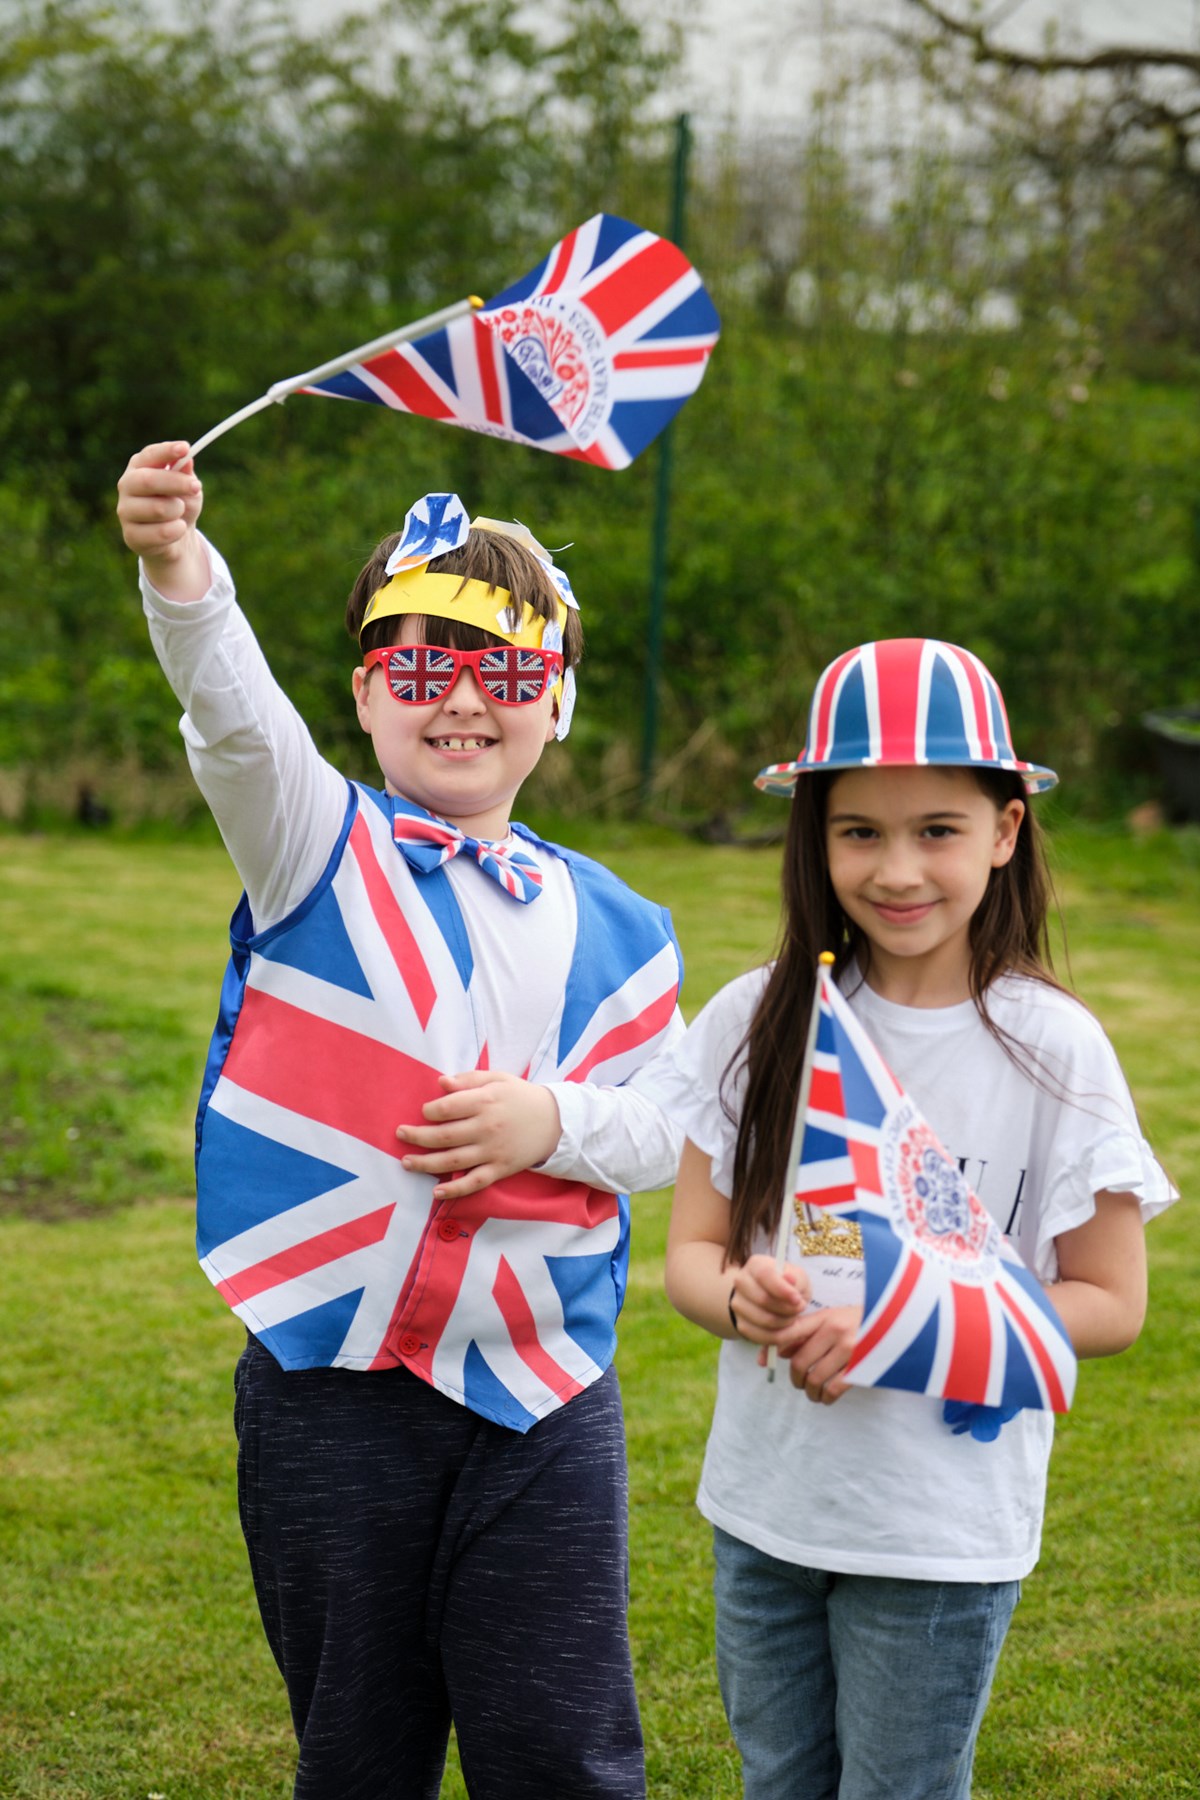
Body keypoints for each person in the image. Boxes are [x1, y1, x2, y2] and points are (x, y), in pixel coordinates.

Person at [115, 444, 687, 1800]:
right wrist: (179, 569)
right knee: (359, 1747)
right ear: (368, 695)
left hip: (544, 1393)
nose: (464, 702)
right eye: (421, 669)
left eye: (505, 672)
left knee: (561, 1742)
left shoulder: (629, 927)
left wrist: (546, 1121)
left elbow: (669, 1129)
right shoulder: (311, 841)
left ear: (559, 702)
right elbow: (236, 721)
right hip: (330, 1389)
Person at [638, 637, 1176, 1800]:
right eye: (859, 832)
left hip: (936, 1530)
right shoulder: (752, 1020)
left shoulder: (1054, 1048)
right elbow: (690, 1253)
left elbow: (1112, 1302)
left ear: (1006, 830)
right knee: (778, 1779)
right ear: (812, 836)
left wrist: (899, 1329)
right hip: (767, 1511)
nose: (897, 870)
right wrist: (743, 1297)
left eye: (938, 828)